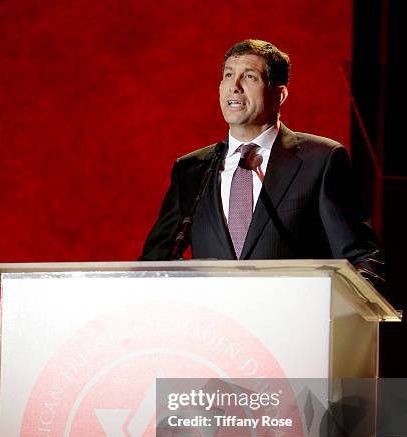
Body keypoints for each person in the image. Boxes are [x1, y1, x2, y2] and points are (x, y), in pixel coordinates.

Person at [140, 39, 383, 284]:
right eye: (228, 75)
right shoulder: (192, 170)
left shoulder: (320, 161)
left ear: (279, 94)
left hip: (291, 317)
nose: (234, 86)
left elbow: (361, 258)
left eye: (250, 77)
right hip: (217, 319)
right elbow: (153, 262)